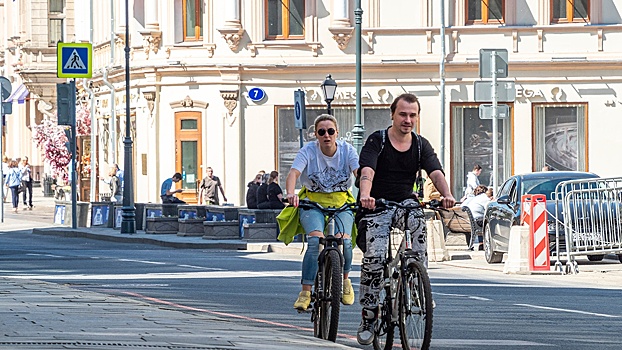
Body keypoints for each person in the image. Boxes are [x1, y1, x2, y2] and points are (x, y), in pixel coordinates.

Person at [356, 93, 456, 345]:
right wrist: (366, 195)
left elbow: (435, 171)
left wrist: (447, 195)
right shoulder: (377, 140)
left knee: (418, 224)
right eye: (403, 114)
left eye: (412, 115)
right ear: (392, 114)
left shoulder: (421, 145)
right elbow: (367, 170)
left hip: (404, 202)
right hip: (377, 204)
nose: (408, 120)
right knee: (375, 256)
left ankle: (415, 283)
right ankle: (369, 315)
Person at [284, 114, 360, 311]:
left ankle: (345, 280)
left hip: (341, 201)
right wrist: (290, 194)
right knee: (314, 241)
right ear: (316, 135)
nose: (327, 135)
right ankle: (306, 291)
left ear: (337, 133)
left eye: (330, 131)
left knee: (345, 241)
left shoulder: (347, 150)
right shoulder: (308, 150)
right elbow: (294, 173)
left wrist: (368, 192)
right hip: (313, 202)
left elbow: (358, 173)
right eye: (321, 132)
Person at [460, 185, 491, 250]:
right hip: (476, 222)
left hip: (466, 222)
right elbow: (489, 209)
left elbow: (461, 207)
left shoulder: (470, 199)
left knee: (481, 218)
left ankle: (480, 244)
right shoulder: (484, 198)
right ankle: (487, 244)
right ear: (485, 192)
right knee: (488, 221)